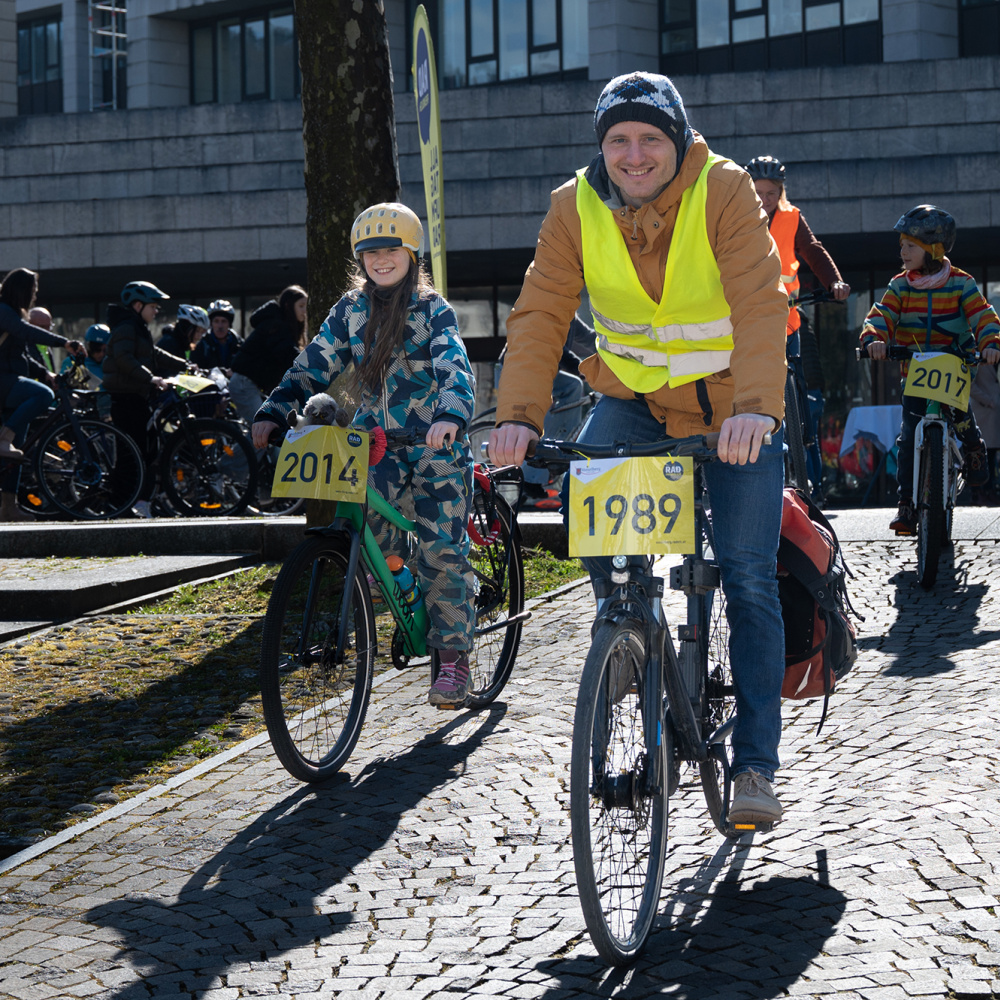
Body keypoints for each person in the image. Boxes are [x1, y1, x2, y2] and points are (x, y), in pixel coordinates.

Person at [489, 72, 789, 825]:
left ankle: (754, 766)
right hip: (631, 398)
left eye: (650, 137)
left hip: (728, 409)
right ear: (602, 147)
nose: (633, 154)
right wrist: (518, 415)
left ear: (676, 140)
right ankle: (624, 625)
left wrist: (756, 410)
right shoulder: (573, 206)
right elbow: (539, 312)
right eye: (618, 139)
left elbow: (759, 301)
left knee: (750, 579)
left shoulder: (722, 190)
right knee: (588, 499)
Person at [251, 203, 478, 707]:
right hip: (375, 446)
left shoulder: (431, 309)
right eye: (371, 251)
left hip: (435, 446)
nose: (381, 259)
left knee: (442, 548)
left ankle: (453, 656)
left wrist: (451, 415)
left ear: (411, 254)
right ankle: (402, 586)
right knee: (367, 527)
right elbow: (313, 365)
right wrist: (275, 408)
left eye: (391, 249)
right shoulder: (351, 311)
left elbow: (454, 366)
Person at [861, 205, 1000, 533]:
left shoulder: (961, 283)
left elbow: (982, 314)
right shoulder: (900, 285)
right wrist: (874, 339)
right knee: (908, 436)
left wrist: (990, 342)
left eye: (910, 245)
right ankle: (907, 504)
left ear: (934, 249)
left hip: (954, 363)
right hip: (915, 372)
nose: (902, 251)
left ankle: (974, 446)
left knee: (961, 412)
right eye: (902, 244)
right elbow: (882, 314)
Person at [745, 155, 849, 500]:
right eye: (758, 192)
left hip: (786, 321)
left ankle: (811, 479)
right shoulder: (736, 218)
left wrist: (834, 281)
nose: (764, 199)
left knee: (801, 397)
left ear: (781, 192)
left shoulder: (792, 218)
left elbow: (813, 251)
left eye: (771, 193)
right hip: (747, 320)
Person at [103, 281, 187, 518]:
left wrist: (184, 364)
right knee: (131, 454)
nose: (157, 310)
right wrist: (151, 378)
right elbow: (123, 358)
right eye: (153, 306)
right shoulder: (127, 327)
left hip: (136, 396)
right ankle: (117, 504)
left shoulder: (137, 327)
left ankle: (126, 503)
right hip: (126, 396)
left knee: (143, 451)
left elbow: (153, 354)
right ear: (138, 305)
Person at [0, 269, 75, 520]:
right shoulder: (3, 311)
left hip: (10, 384)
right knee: (43, 396)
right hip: (3, 382)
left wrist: (45, 373)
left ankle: (8, 508)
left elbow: (21, 356)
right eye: (33, 290)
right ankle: (3, 437)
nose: (35, 295)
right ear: (22, 290)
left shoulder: (12, 314)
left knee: (16, 453)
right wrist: (64, 343)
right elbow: (27, 332)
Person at [229, 286, 308, 427]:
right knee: (262, 429)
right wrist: (310, 362)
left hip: (248, 383)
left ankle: (239, 448)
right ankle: (238, 449)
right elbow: (286, 353)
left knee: (265, 431)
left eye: (306, 306)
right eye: (301, 306)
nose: (304, 311)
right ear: (288, 306)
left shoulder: (279, 324)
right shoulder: (276, 325)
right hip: (244, 384)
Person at [970, 361, 1000, 502]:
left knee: (992, 454)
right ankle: (979, 491)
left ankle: (990, 489)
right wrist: (987, 400)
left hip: (994, 413)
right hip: (983, 411)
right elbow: (969, 384)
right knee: (981, 452)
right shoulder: (981, 353)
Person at [192, 299, 241, 375]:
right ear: (211, 323)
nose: (220, 326)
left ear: (229, 324)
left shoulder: (239, 343)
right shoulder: (201, 344)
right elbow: (195, 370)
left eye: (224, 321)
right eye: (216, 321)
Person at [61, 323, 110, 389]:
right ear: (88, 346)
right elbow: (62, 387)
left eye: (105, 350)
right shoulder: (73, 362)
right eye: (96, 349)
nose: (101, 354)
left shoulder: (112, 364)